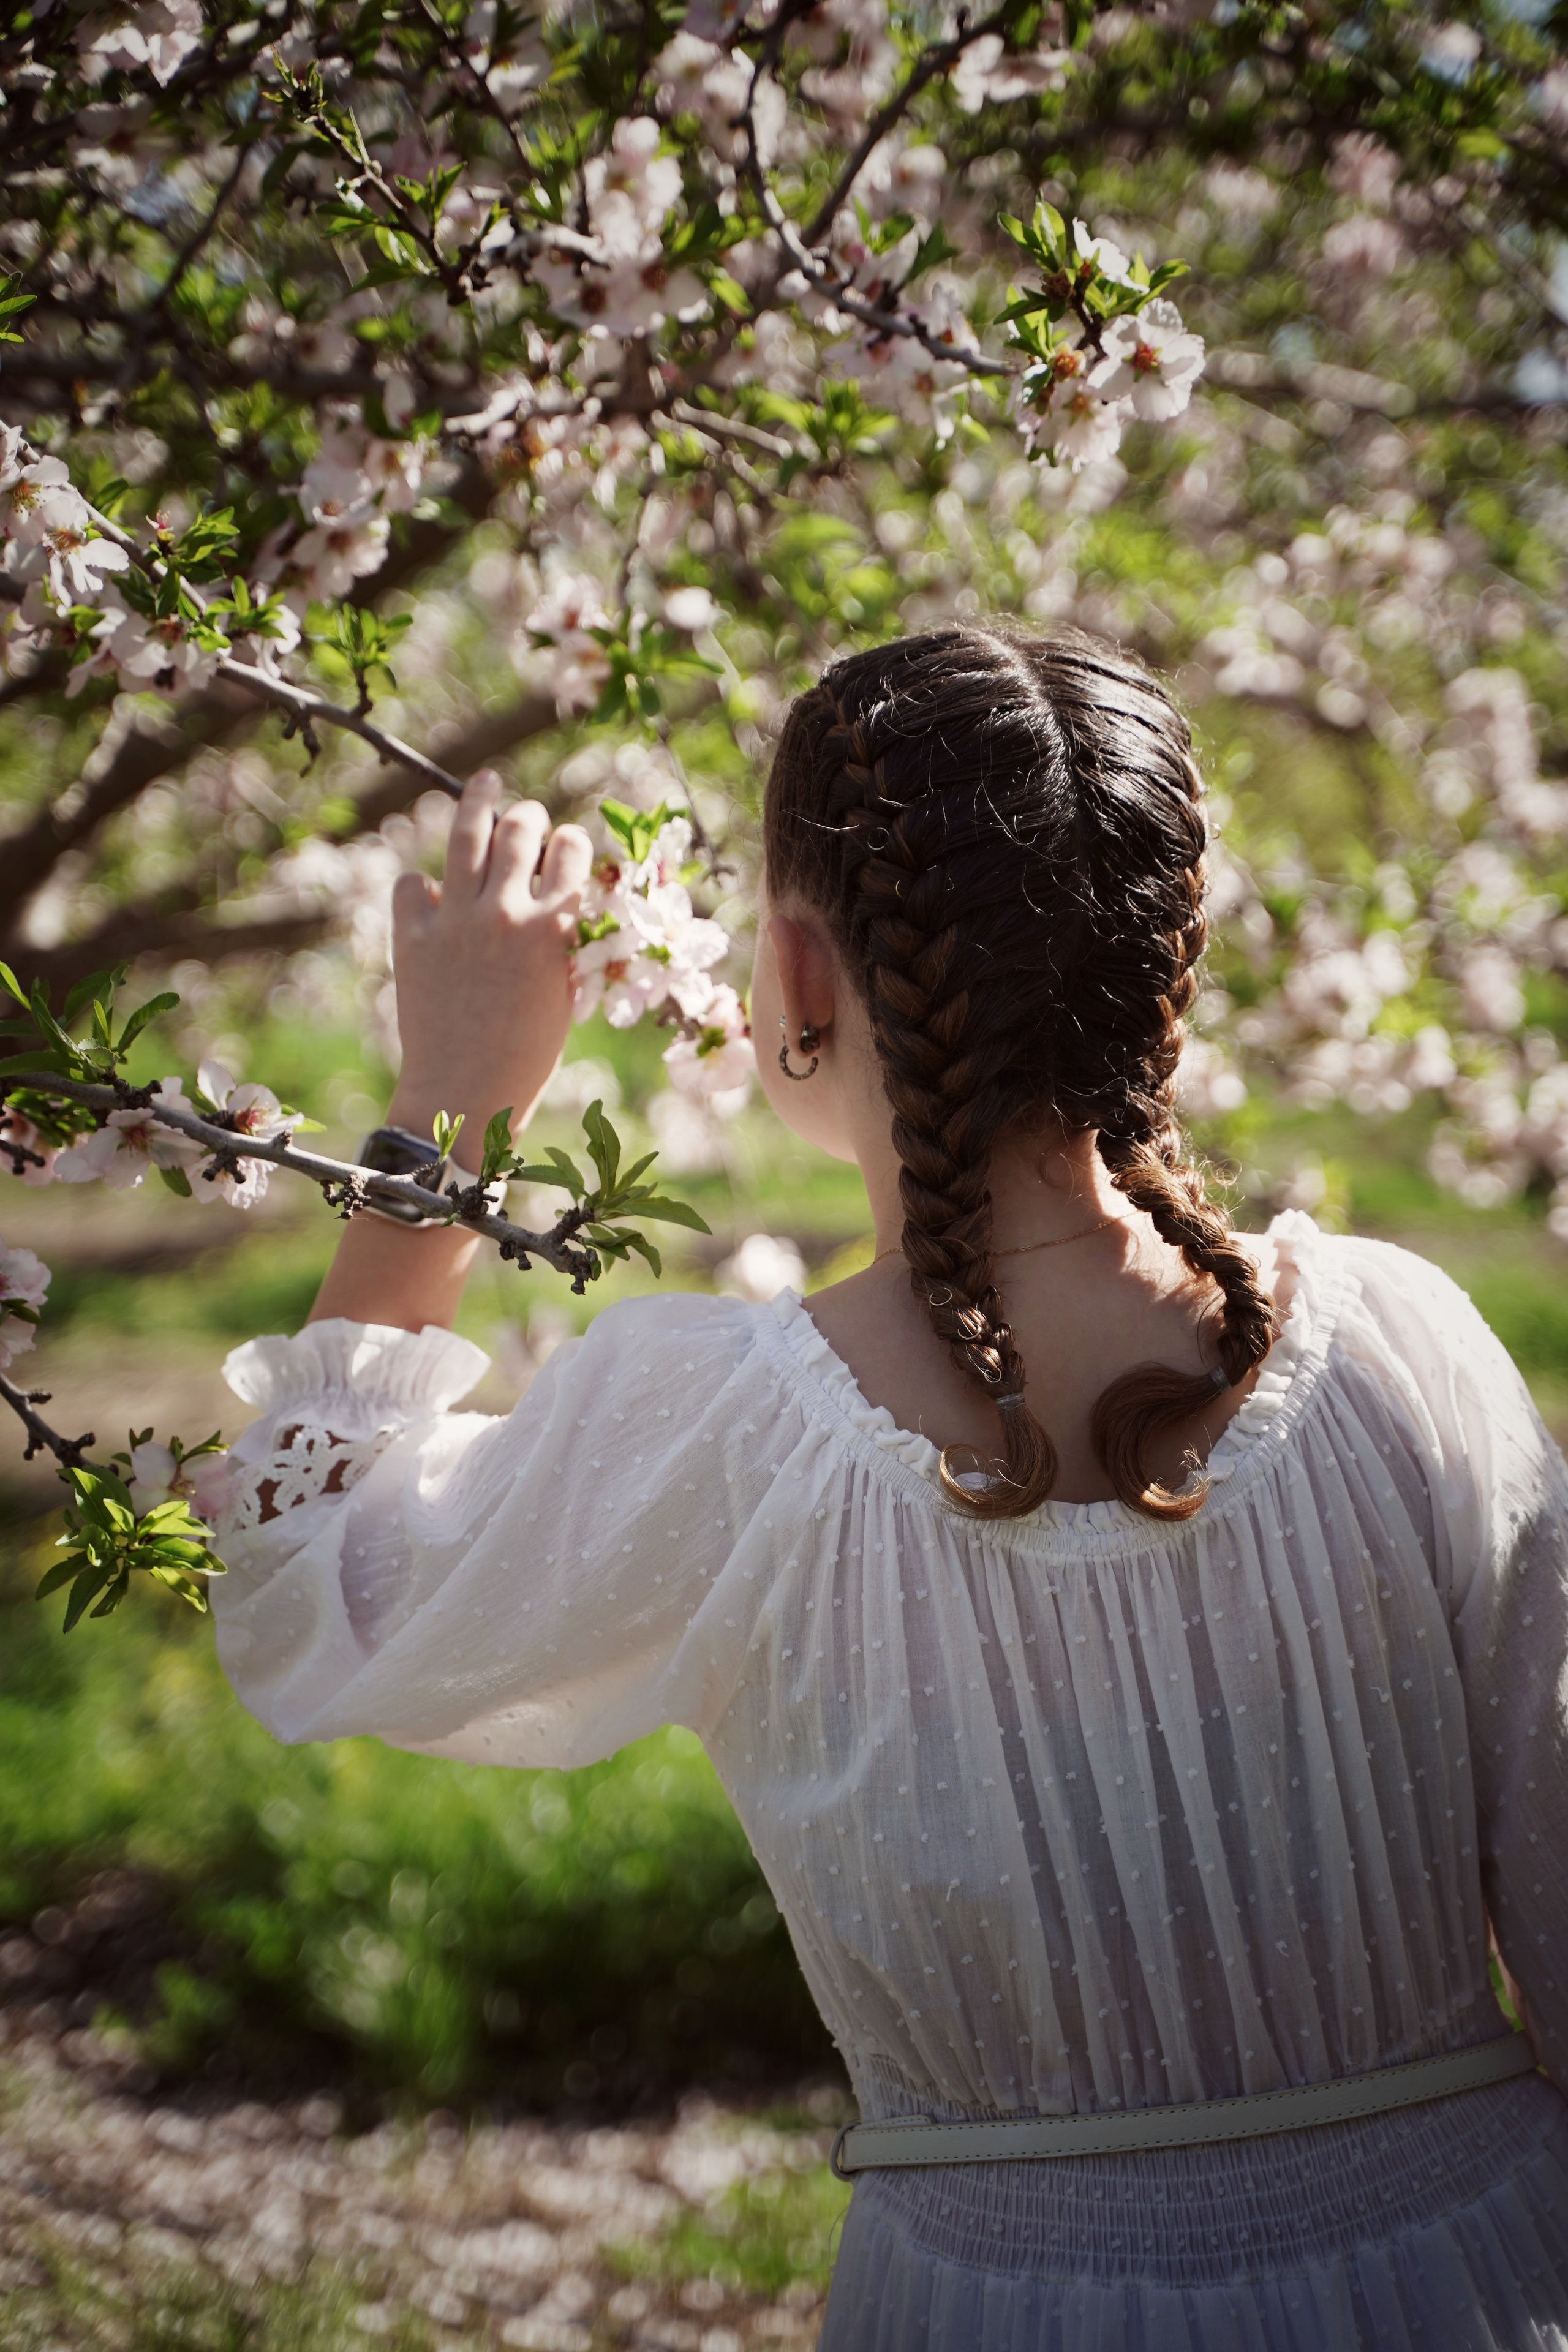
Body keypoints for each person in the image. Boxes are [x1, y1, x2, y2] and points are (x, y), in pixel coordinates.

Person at [210, 628, 1568, 2348]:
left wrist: (445, 1111)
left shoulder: (724, 1426)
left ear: (792, 965)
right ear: (1176, 958)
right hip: (1483, 2283)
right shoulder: (1411, 1347)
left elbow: (311, 1592)